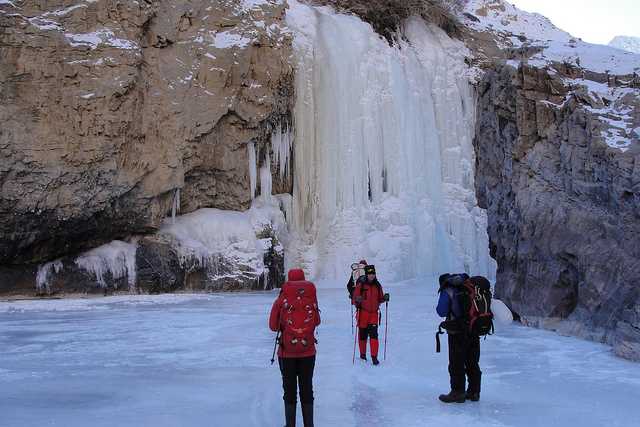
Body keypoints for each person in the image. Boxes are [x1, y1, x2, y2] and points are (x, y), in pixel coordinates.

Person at [269, 269, 321, 427]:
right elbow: (317, 321)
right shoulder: (310, 297)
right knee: (307, 389)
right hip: (308, 351)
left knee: (289, 390)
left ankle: (290, 425)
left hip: (286, 353)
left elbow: (272, 326)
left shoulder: (282, 298)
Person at [436, 273, 482, 403]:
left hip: (457, 331)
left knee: (456, 363)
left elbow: (441, 311)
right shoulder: (468, 287)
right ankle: (474, 392)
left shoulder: (448, 290)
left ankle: (457, 392)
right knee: (472, 361)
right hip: (473, 329)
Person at [352, 265, 389, 365]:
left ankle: (374, 357)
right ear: (367, 274)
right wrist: (357, 300)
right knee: (363, 335)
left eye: (373, 274)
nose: (371, 276)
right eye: (369, 274)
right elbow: (354, 299)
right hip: (363, 314)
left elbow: (380, 298)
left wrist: (384, 298)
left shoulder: (378, 285)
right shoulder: (361, 285)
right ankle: (363, 355)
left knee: (374, 335)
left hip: (373, 315)